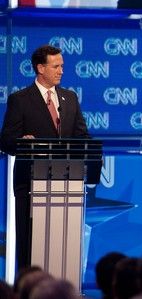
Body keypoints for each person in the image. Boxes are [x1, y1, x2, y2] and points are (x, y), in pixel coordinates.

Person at [0, 44, 89, 270]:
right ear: (40, 68)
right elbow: (6, 140)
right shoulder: (20, 99)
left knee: (62, 243)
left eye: (62, 66)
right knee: (30, 242)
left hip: (65, 180)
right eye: (56, 66)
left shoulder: (70, 98)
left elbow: (82, 136)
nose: (61, 71)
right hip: (31, 180)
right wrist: (23, 143)